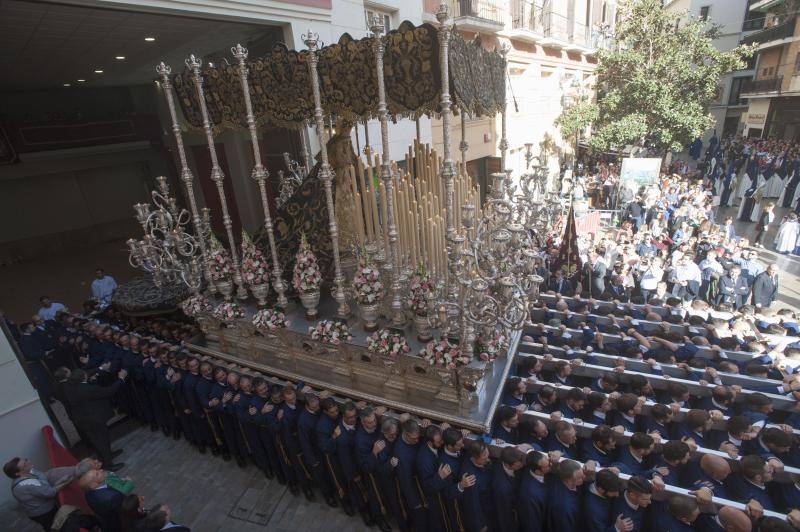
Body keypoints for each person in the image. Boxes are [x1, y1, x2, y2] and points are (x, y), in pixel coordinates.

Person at [64, 368, 127, 471]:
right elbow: (108, 391)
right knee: (102, 441)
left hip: (82, 419)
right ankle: (108, 465)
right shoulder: (88, 389)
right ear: (83, 377)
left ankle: (108, 456)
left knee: (98, 441)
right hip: (93, 419)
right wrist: (121, 379)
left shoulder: (69, 387)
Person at [4, 457, 73, 531]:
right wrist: (66, 481)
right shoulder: (27, 484)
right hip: (44, 513)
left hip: (34, 512)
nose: (29, 462)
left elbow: (43, 480)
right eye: (25, 464)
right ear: (18, 473)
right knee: (55, 526)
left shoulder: (29, 472)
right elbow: (50, 492)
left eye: (26, 460)